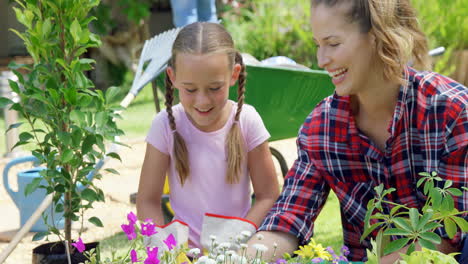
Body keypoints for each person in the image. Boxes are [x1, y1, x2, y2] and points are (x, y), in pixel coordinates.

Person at [247, 0, 467, 263]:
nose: (322, 60)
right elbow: (289, 217)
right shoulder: (322, 128)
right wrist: (239, 258)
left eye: (333, 44)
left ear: (378, 36)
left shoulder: (450, 111)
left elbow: (444, 236)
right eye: (318, 45)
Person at [136, 22, 279, 250]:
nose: (202, 101)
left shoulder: (247, 121)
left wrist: (238, 238)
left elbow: (268, 195)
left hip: (235, 253)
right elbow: (147, 201)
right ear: (172, 77)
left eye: (214, 88)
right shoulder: (164, 125)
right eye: (190, 89)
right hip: (184, 255)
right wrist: (163, 251)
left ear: (234, 75)